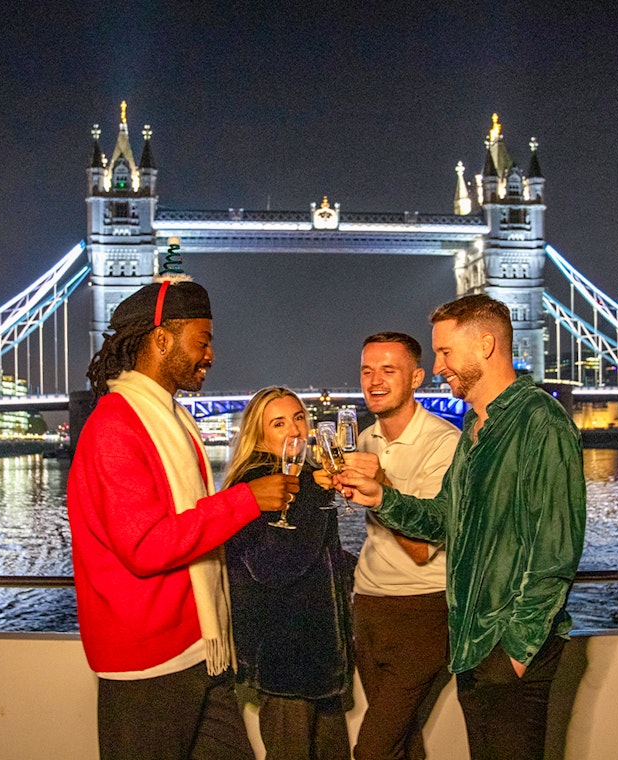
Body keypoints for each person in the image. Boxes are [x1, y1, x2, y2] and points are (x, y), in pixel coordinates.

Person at [337, 294, 586, 760]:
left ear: (486, 345)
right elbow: (441, 519)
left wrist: (516, 651)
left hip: (513, 649)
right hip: (473, 641)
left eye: (446, 353)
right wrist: (381, 497)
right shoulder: (475, 425)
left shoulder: (541, 421)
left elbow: (556, 550)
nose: (436, 367)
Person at [67, 277, 299, 760]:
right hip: (147, 666)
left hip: (200, 648)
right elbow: (146, 546)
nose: (211, 355)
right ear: (162, 339)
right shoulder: (113, 426)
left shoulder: (171, 419)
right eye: (203, 340)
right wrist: (245, 501)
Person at [222, 386, 355, 760]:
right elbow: (274, 565)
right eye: (279, 423)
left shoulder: (307, 476)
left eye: (298, 418)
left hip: (318, 660)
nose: (294, 430)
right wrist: (315, 494)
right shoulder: (257, 482)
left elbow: (318, 556)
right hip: (286, 660)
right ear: (258, 433)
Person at [346, 332, 460, 760]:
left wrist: (380, 486)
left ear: (416, 378)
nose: (374, 381)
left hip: (421, 611)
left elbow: (420, 548)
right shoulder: (366, 439)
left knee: (373, 748)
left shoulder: (444, 444)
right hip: (369, 604)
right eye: (366, 370)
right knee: (400, 741)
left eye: (388, 371)